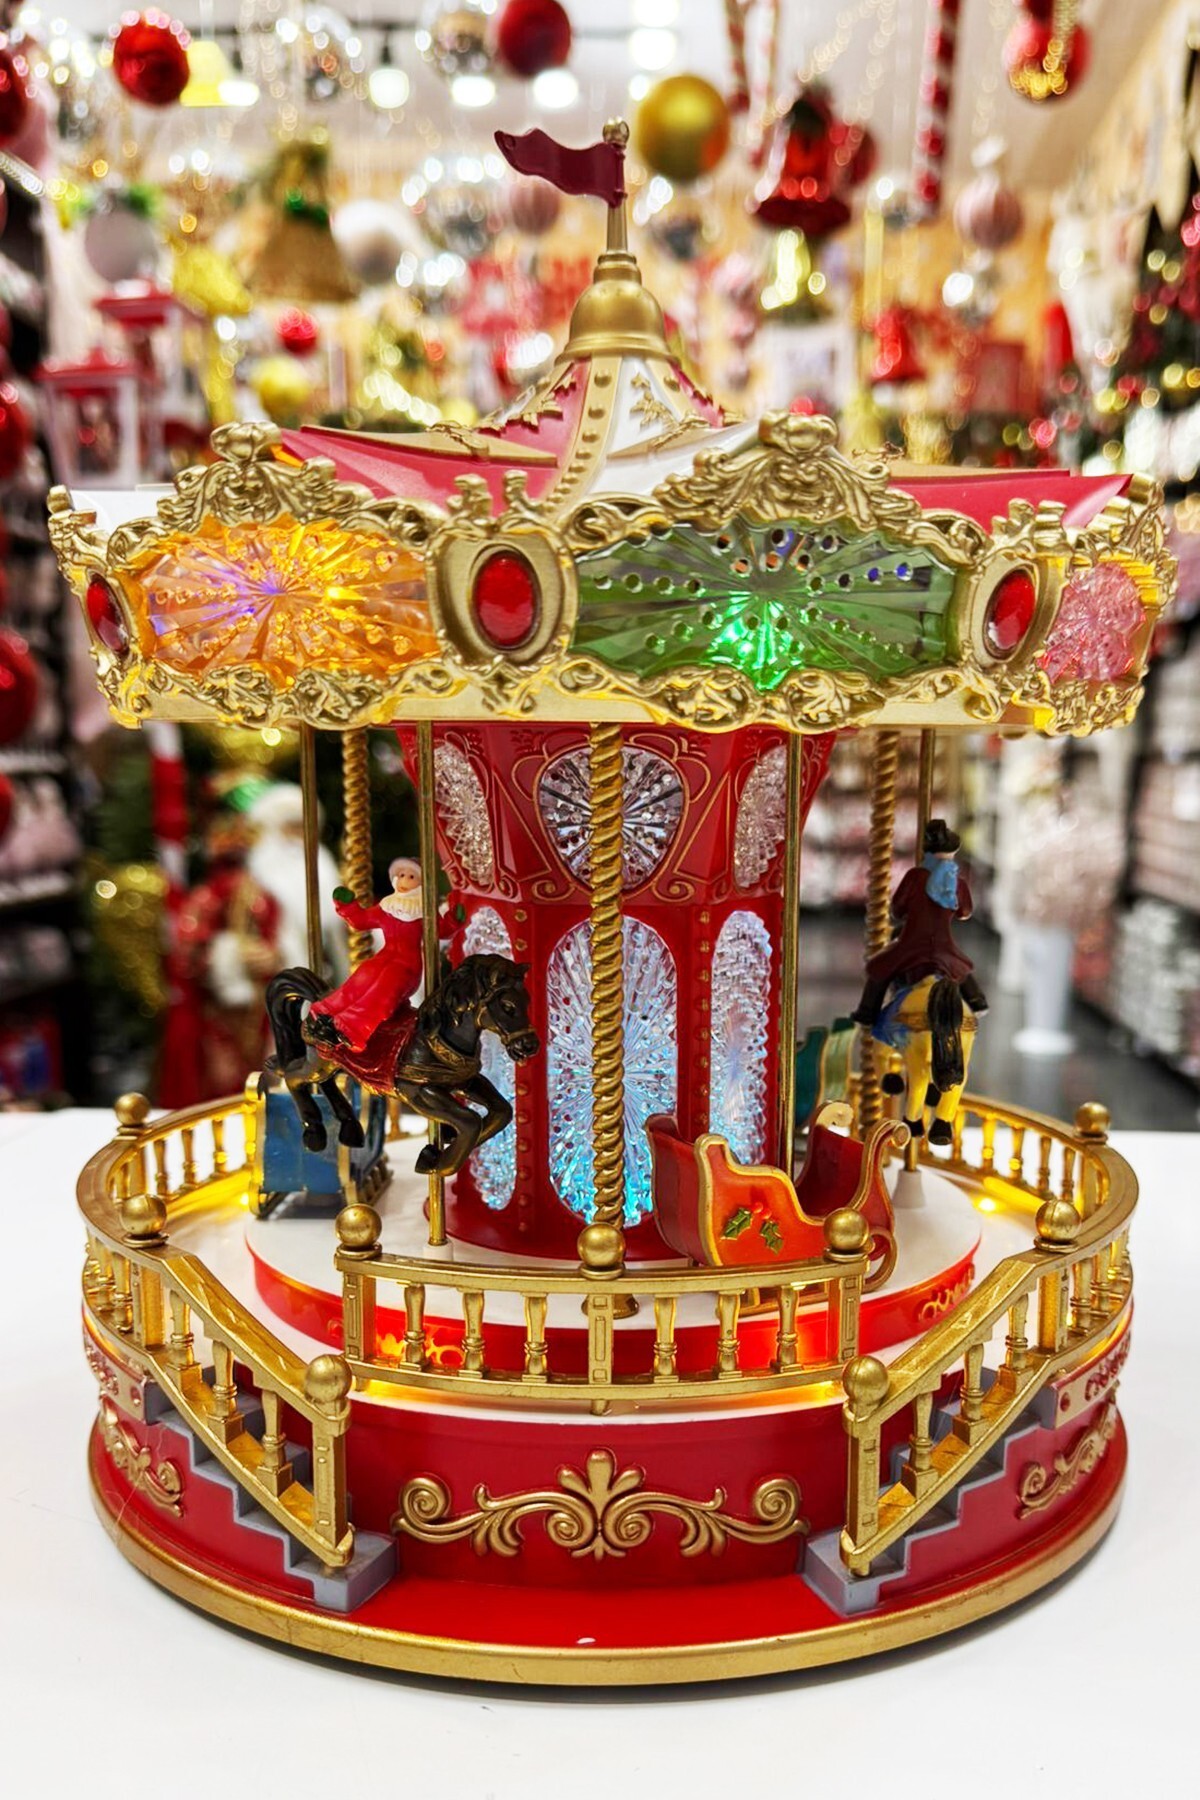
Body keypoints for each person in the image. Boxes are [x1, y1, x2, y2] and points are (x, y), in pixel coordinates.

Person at [852, 818, 989, 1027]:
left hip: (911, 944)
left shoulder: (914, 876)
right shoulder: (957, 882)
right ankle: (977, 1001)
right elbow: (965, 912)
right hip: (943, 947)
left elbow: (897, 910)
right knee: (961, 967)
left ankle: (867, 1013)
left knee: (878, 968)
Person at [307, 859, 427, 1054]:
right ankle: (328, 1009)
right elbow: (362, 920)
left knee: (383, 988)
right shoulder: (388, 907)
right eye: (401, 875)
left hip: (407, 967)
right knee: (363, 976)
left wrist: (454, 920)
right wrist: (348, 906)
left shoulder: (422, 912)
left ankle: (352, 1028)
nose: (404, 880)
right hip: (385, 958)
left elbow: (442, 929)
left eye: (411, 876)